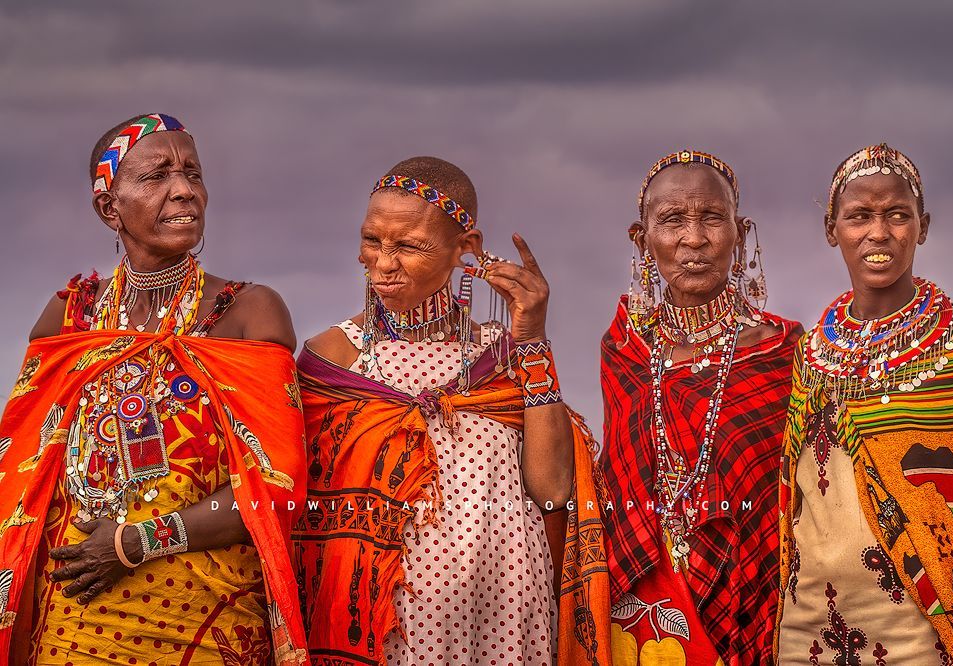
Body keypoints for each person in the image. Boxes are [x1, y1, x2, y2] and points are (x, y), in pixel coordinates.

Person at [0, 114, 308, 665]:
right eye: (156, 175)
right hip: (73, 618)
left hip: (207, 622)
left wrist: (134, 543)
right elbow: (21, 474)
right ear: (108, 207)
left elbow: (275, 485)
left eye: (193, 173)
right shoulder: (70, 318)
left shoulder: (247, 313)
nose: (184, 189)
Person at [293, 156, 611, 665]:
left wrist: (532, 337)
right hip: (389, 620)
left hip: (506, 607)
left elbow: (552, 488)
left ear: (467, 247)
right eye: (372, 240)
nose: (383, 262)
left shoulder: (504, 355)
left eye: (408, 246)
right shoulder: (330, 360)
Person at [775, 143, 953, 665]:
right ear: (832, 229)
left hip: (922, 631)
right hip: (805, 628)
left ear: (922, 226)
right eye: (859, 216)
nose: (879, 232)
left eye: (897, 214)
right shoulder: (811, 352)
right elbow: (797, 497)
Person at [600, 150, 802, 665]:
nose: (694, 238)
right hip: (646, 610)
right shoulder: (624, 350)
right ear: (642, 239)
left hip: (756, 598)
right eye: (672, 220)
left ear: (740, 232)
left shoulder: (784, 352)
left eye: (712, 218)